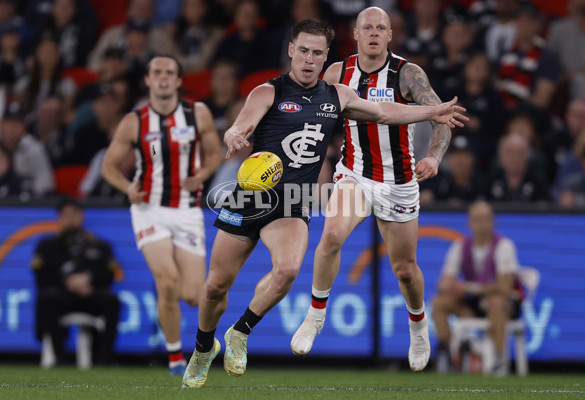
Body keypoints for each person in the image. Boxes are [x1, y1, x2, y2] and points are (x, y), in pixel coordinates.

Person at [182, 18, 467, 388]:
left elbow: (387, 113)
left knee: (286, 271)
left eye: (317, 53)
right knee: (216, 286)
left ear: (325, 57)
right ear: (291, 50)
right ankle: (204, 347)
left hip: (292, 201)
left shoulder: (337, 95)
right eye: (303, 51)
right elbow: (240, 125)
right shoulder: (267, 92)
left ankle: (239, 332)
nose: (308, 59)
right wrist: (235, 135)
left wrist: (431, 111)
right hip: (249, 196)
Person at [290, 7, 457, 373]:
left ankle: (418, 325)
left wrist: (434, 157)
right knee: (331, 234)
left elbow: (441, 116)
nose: (375, 33)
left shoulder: (407, 73)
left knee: (405, 270)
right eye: (368, 27)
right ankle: (315, 316)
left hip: (398, 183)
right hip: (355, 174)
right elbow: (313, 117)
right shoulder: (337, 73)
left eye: (382, 27)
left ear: (391, 34)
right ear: (356, 32)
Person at [101, 55, 222, 375]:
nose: (163, 77)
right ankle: (174, 358)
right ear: (148, 80)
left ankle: (190, 343)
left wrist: (203, 175)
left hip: (186, 210)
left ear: (180, 81)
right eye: (157, 72)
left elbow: (214, 155)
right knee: (166, 282)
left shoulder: (198, 114)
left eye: (170, 72)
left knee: (194, 297)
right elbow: (108, 167)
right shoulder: (135, 121)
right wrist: (128, 188)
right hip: (148, 209)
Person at [431, 201, 522, 376]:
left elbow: (504, 287)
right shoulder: (460, 246)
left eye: (485, 219)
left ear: (493, 222)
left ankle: (498, 359)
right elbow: (443, 283)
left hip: (505, 304)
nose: (481, 224)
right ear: (469, 223)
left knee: (495, 303)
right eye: (477, 220)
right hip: (473, 304)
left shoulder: (504, 246)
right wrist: (450, 287)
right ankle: (450, 355)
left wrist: (468, 288)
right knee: (439, 303)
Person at [31, 198, 122, 366]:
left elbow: (110, 274)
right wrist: (67, 282)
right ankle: (61, 357)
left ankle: (104, 359)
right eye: (66, 215)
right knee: (47, 298)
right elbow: (40, 276)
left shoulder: (99, 245)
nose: (70, 219)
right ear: (58, 218)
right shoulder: (46, 245)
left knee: (112, 300)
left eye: (74, 214)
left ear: (82, 217)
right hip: (61, 295)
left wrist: (89, 280)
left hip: (90, 294)